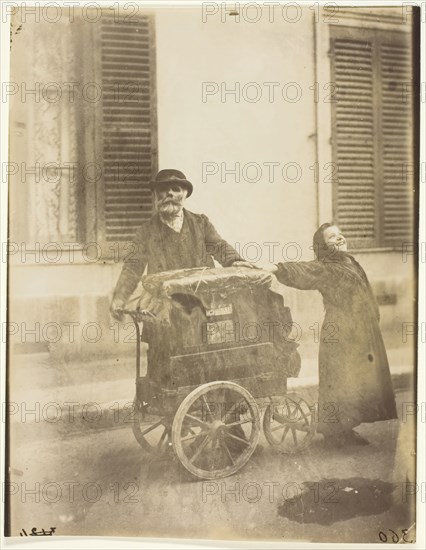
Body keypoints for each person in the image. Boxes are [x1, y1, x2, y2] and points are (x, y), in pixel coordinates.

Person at [267, 223, 397, 447]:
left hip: (361, 332)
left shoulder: (350, 262)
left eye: (339, 234)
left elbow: (366, 291)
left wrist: (373, 318)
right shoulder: (326, 267)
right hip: (341, 333)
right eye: (331, 237)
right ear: (323, 246)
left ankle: (345, 428)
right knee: (340, 381)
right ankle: (335, 433)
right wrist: (276, 267)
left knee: (358, 381)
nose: (339, 238)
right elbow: (303, 270)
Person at [110, 168, 247, 319]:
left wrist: (235, 261)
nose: (170, 194)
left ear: (185, 194)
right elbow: (132, 268)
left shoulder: (201, 224)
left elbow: (219, 246)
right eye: (163, 189)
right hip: (163, 308)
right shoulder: (145, 232)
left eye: (176, 189)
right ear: (155, 194)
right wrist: (119, 298)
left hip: (201, 304)